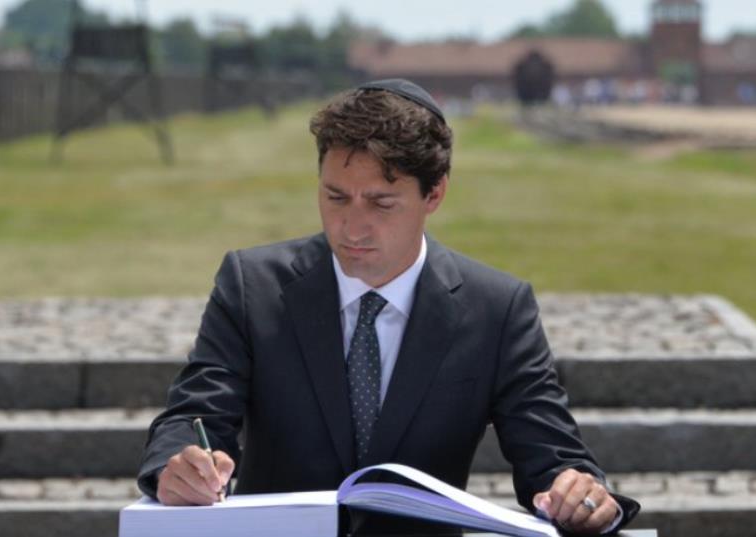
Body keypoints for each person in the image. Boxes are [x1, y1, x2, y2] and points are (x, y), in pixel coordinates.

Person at [137, 79, 640, 535]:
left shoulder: (497, 309)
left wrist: (583, 497)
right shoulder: (252, 286)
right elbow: (194, 413)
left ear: (435, 193)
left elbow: (553, 457)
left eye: (381, 203)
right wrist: (175, 466)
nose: (352, 228)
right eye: (336, 197)